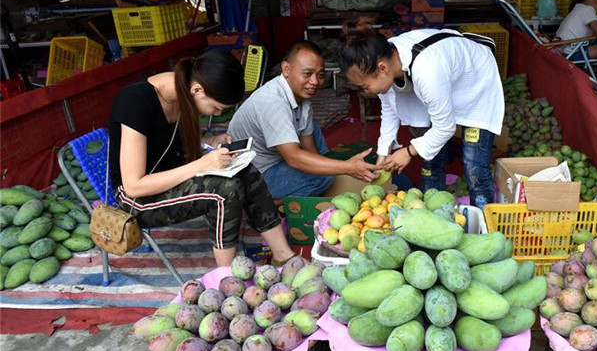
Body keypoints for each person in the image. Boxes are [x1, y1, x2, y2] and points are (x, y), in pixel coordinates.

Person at [108, 50, 295, 267]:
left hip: (171, 180)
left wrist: (211, 141)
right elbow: (134, 186)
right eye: (216, 108)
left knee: (245, 171)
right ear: (197, 89)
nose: (215, 114)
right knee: (224, 191)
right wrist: (202, 164)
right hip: (138, 200)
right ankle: (227, 277)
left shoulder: (182, 90)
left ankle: (283, 255)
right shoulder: (135, 103)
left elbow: (167, 143)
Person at [339, 18, 502, 208]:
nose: (365, 92)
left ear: (382, 68)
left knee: (474, 166)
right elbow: (390, 110)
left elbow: (445, 127)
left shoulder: (427, 69)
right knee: (430, 159)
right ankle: (433, 215)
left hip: (475, 80)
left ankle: (483, 222)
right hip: (439, 80)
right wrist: (383, 154)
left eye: (365, 86)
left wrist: (408, 152)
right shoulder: (384, 58)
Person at [228, 41, 381, 200]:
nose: (315, 82)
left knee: (313, 134)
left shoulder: (302, 98)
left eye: (320, 75)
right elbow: (294, 158)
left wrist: (328, 167)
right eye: (307, 74)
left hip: (277, 160)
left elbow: (311, 150)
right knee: (323, 178)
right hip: (253, 175)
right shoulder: (272, 101)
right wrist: (348, 168)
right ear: (286, 69)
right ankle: (271, 206)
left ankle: (306, 191)